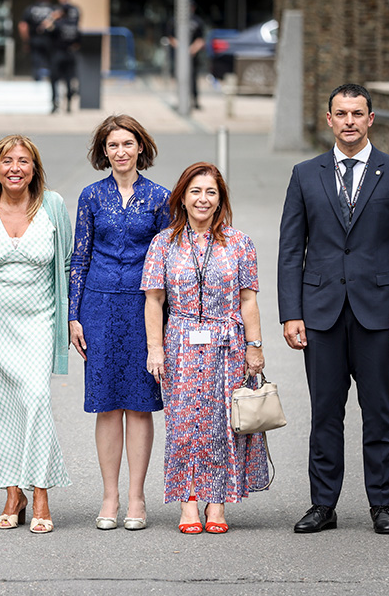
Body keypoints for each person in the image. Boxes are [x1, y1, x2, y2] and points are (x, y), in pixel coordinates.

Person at [278, 83, 389, 535]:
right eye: (340, 113)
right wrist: (291, 313)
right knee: (325, 412)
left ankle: (382, 504)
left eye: (357, 113)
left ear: (370, 118)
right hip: (320, 311)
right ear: (328, 119)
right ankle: (323, 505)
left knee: (379, 411)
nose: (348, 121)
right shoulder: (305, 174)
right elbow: (290, 249)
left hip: (379, 314)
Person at [142, 162, 269, 534]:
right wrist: (155, 349)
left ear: (220, 199)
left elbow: (248, 300)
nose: (202, 199)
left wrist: (254, 346)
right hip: (180, 341)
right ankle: (188, 503)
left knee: (221, 426)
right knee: (183, 426)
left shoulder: (239, 242)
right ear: (182, 197)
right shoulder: (163, 243)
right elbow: (153, 301)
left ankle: (218, 503)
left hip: (227, 343)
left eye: (210, 192)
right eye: (195, 191)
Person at [0, 135, 72, 535]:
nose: (15, 168)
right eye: (7, 161)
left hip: (39, 320)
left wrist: (70, 319)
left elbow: (68, 265)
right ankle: (13, 493)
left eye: (24, 161)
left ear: (34, 169)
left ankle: (40, 491)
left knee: (36, 398)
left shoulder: (53, 206)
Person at [68, 115, 170, 531]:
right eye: (113, 145)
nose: (121, 152)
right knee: (108, 405)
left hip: (144, 307)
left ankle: (136, 496)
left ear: (140, 148)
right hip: (99, 306)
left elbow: (166, 259)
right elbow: (79, 257)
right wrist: (73, 315)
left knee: (140, 404)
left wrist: (168, 321)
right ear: (104, 151)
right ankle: (109, 495)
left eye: (128, 143)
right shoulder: (91, 196)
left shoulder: (161, 198)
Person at [44, 0, 81, 113]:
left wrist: (52, 19)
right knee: (70, 78)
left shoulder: (58, 25)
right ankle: (69, 104)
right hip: (70, 53)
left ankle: (55, 104)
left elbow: (46, 30)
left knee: (54, 79)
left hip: (58, 53)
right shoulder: (74, 25)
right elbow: (78, 40)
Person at [165, 2, 206, 110]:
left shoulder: (197, 21)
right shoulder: (173, 21)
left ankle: (195, 100)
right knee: (178, 78)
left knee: (193, 79)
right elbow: (170, 37)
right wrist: (182, 49)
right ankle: (179, 100)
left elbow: (201, 39)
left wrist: (191, 49)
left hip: (193, 55)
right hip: (178, 55)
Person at [18, 0, 55, 81]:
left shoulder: (31, 9)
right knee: (51, 63)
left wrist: (26, 41)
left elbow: (23, 26)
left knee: (36, 63)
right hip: (50, 40)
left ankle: (37, 83)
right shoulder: (53, 9)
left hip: (35, 39)